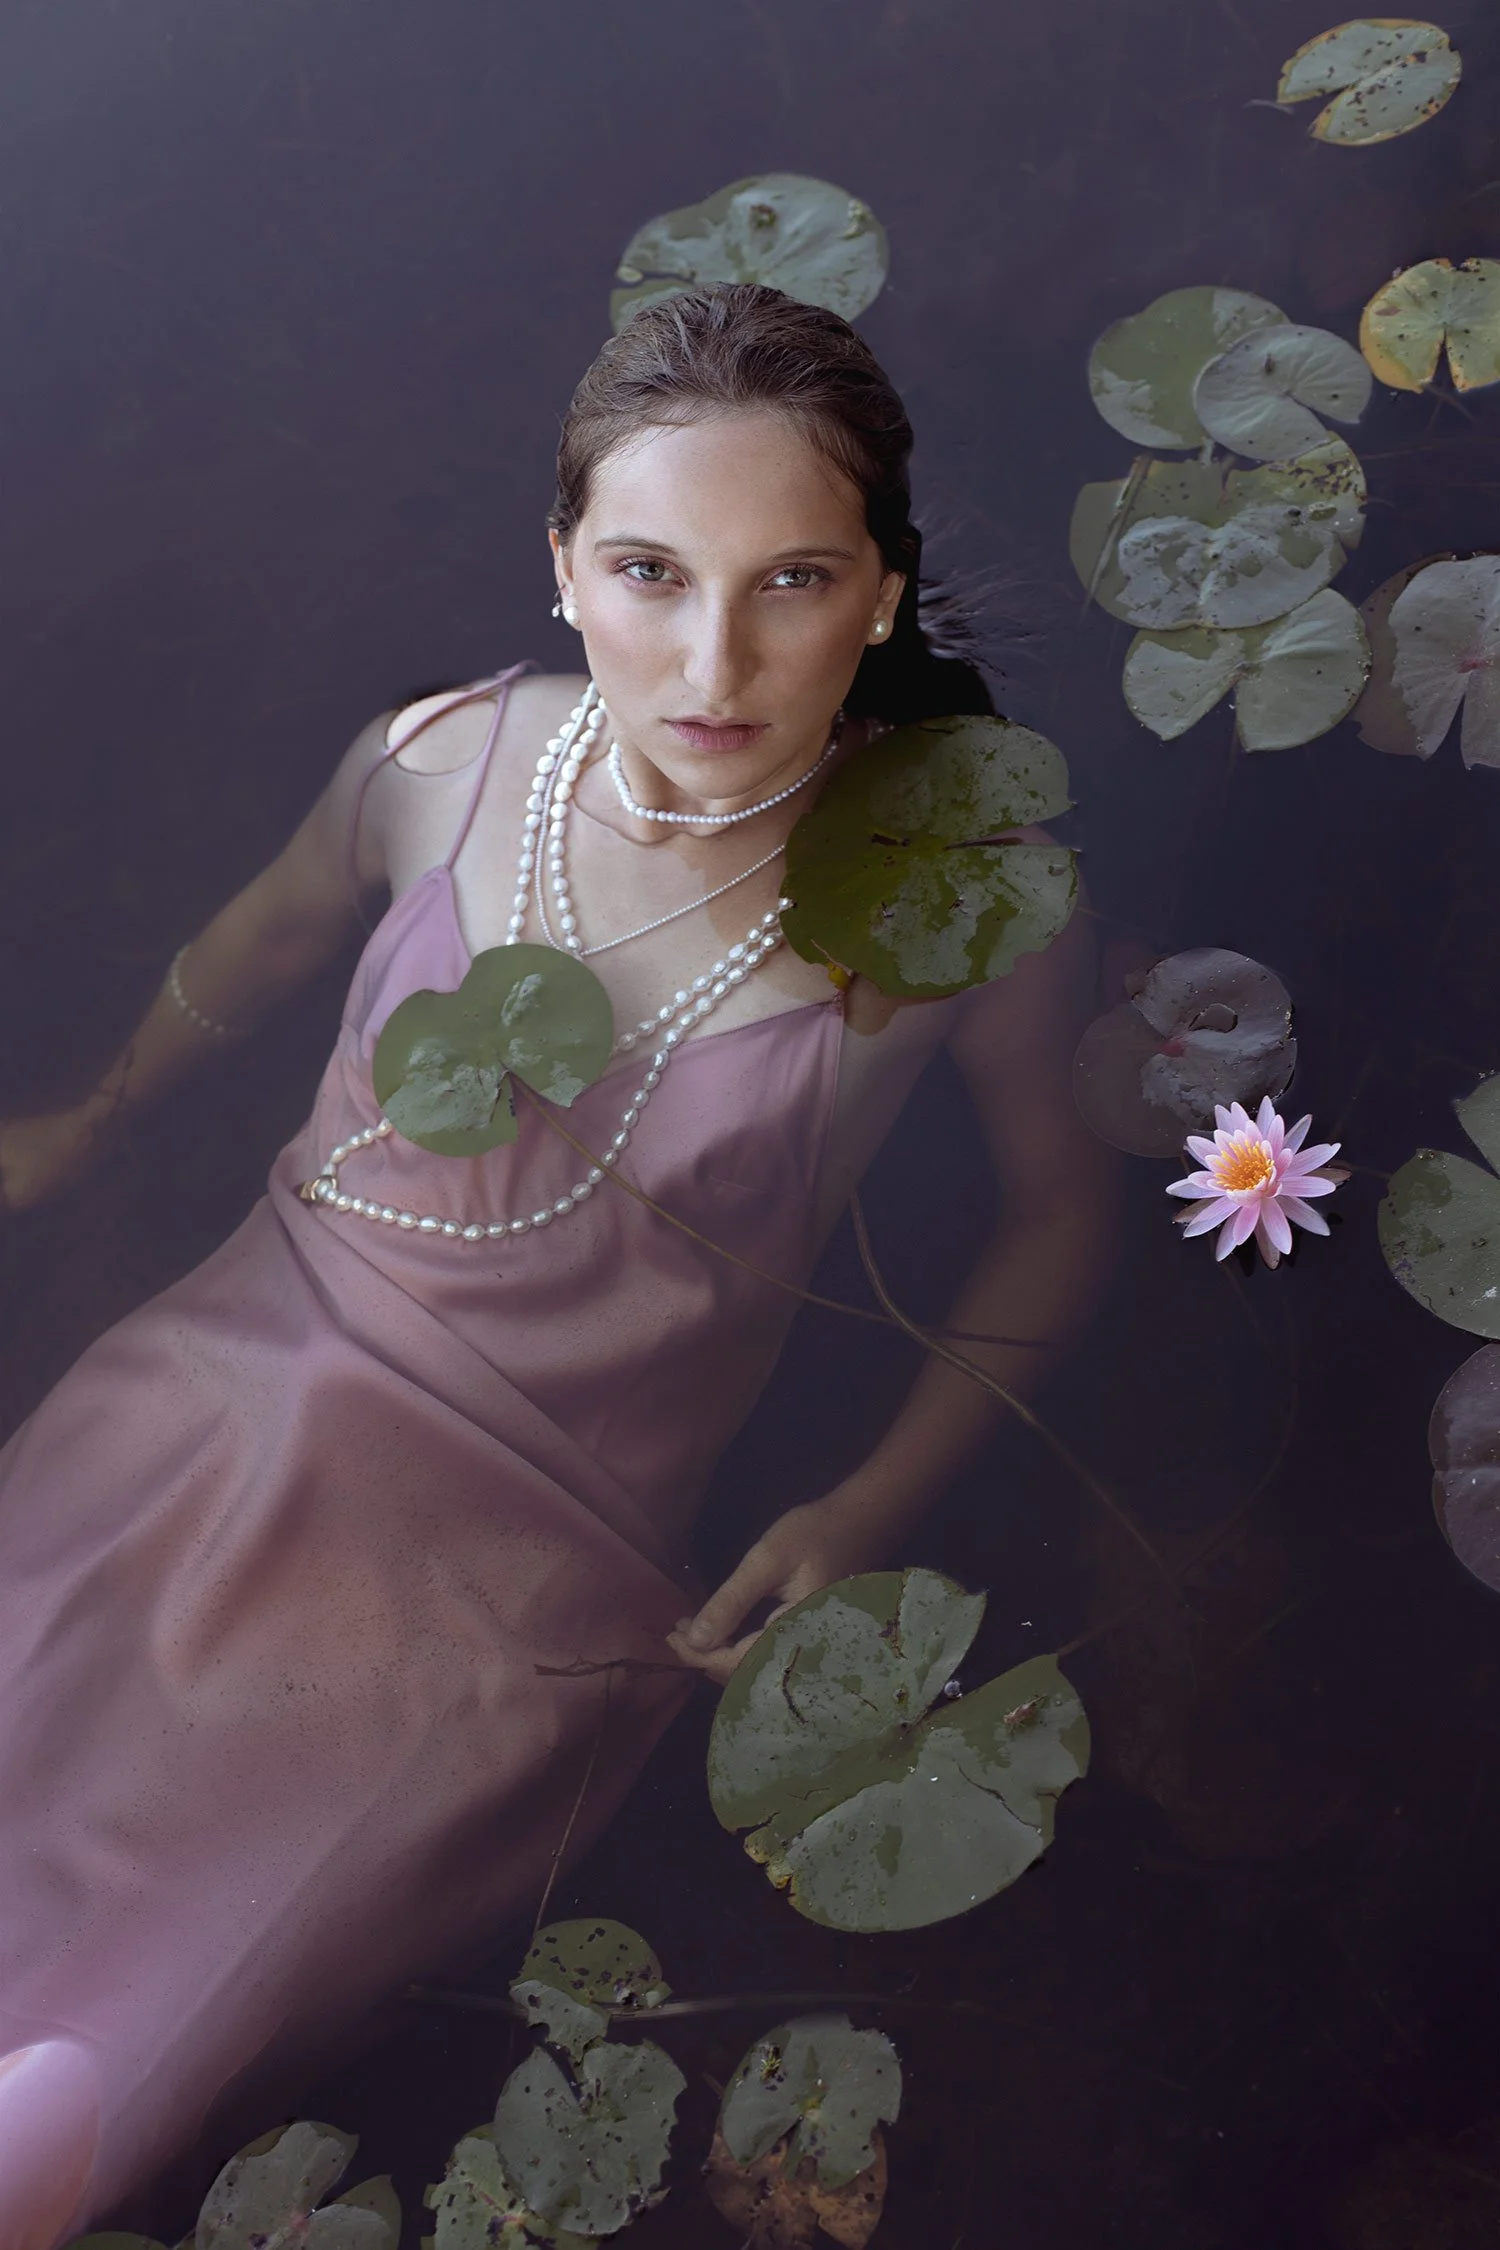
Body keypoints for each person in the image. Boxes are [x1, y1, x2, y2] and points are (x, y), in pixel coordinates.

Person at [0, 282, 1115, 2246]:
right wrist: (89, 1114)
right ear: (562, 571)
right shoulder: (439, 763)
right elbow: (260, 946)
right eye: (648, 571)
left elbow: (1065, 1207)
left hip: (513, 1589)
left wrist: (863, 1503)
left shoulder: (959, 908)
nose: (711, 657)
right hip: (222, 1396)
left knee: (112, 2049)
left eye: (789, 580)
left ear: (879, 592)